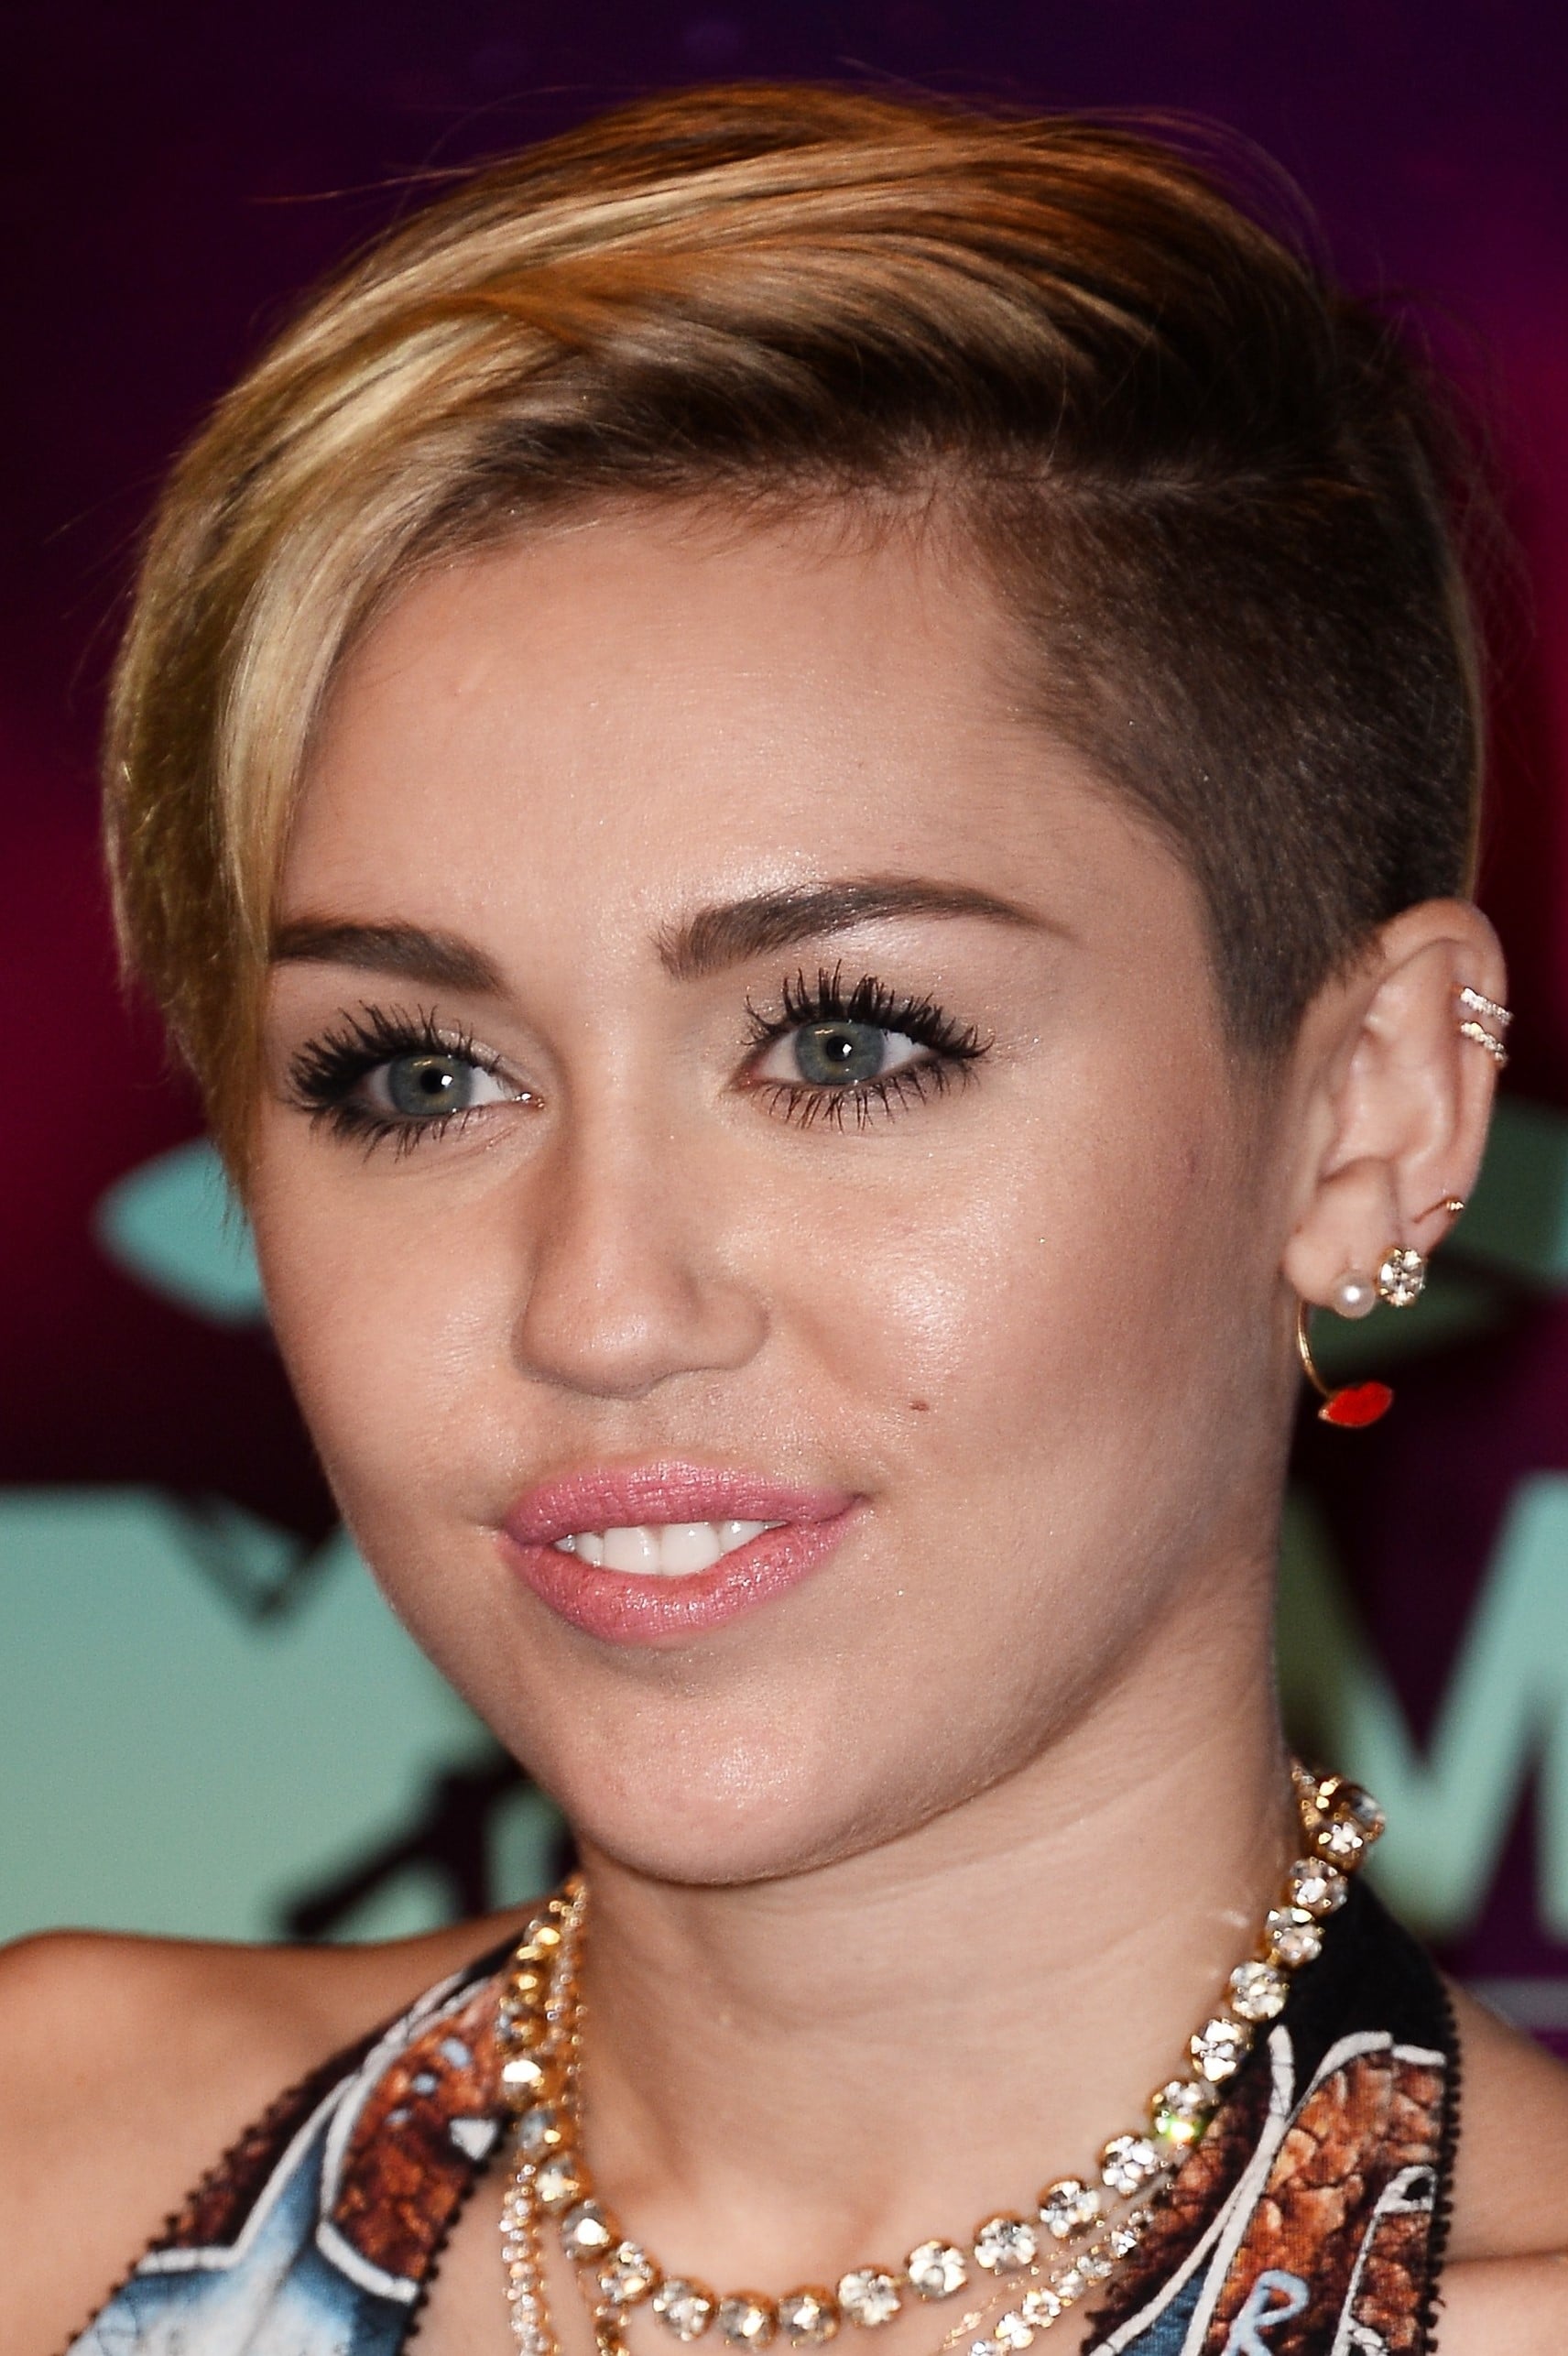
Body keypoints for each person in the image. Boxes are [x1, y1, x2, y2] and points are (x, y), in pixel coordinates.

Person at [3, 82, 1565, 2356]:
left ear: (1367, 1113)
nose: (598, 1303)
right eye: (418, 1073)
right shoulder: (50, 2178)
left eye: (845, 1042)